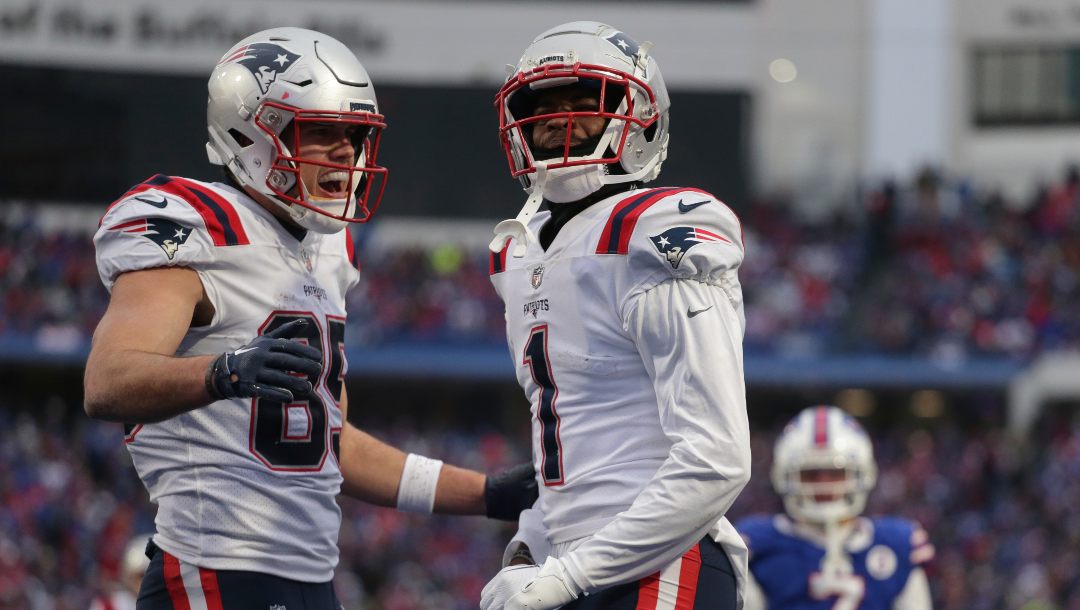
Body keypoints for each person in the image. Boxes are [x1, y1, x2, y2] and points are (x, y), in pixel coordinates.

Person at [84, 27, 535, 609]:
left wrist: (484, 494)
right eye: (322, 133)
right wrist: (220, 373)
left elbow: (333, 443)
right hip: (214, 570)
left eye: (353, 136)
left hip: (311, 578)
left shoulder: (328, 250)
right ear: (253, 133)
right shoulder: (199, 226)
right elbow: (106, 381)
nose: (346, 153)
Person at [480, 21, 751, 610]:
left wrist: (567, 575)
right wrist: (532, 543)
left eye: (585, 102)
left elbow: (717, 459)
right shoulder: (518, 251)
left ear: (639, 120)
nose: (559, 119)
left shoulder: (648, 232)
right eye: (544, 105)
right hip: (581, 562)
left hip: (661, 562)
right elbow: (574, 431)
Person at [736, 406, 935, 609]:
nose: (824, 484)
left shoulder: (897, 543)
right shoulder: (757, 545)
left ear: (863, 474)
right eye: (812, 473)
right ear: (784, 476)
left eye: (835, 473)